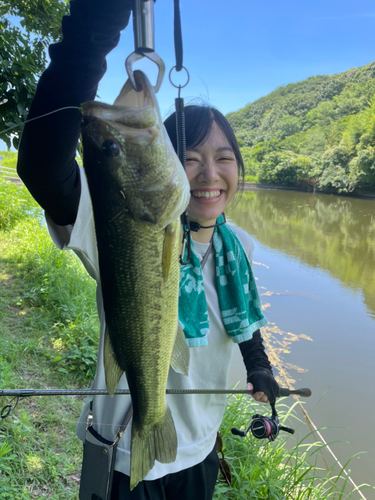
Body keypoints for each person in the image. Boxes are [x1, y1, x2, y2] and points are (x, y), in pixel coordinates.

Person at [17, 0, 279, 498]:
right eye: (190, 157)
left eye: (223, 158)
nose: (208, 173)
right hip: (121, 453)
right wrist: (94, 29)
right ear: (171, 168)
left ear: (238, 169)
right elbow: (43, 168)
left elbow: (241, 320)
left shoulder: (236, 246)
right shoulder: (120, 222)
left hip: (200, 448)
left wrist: (259, 363)